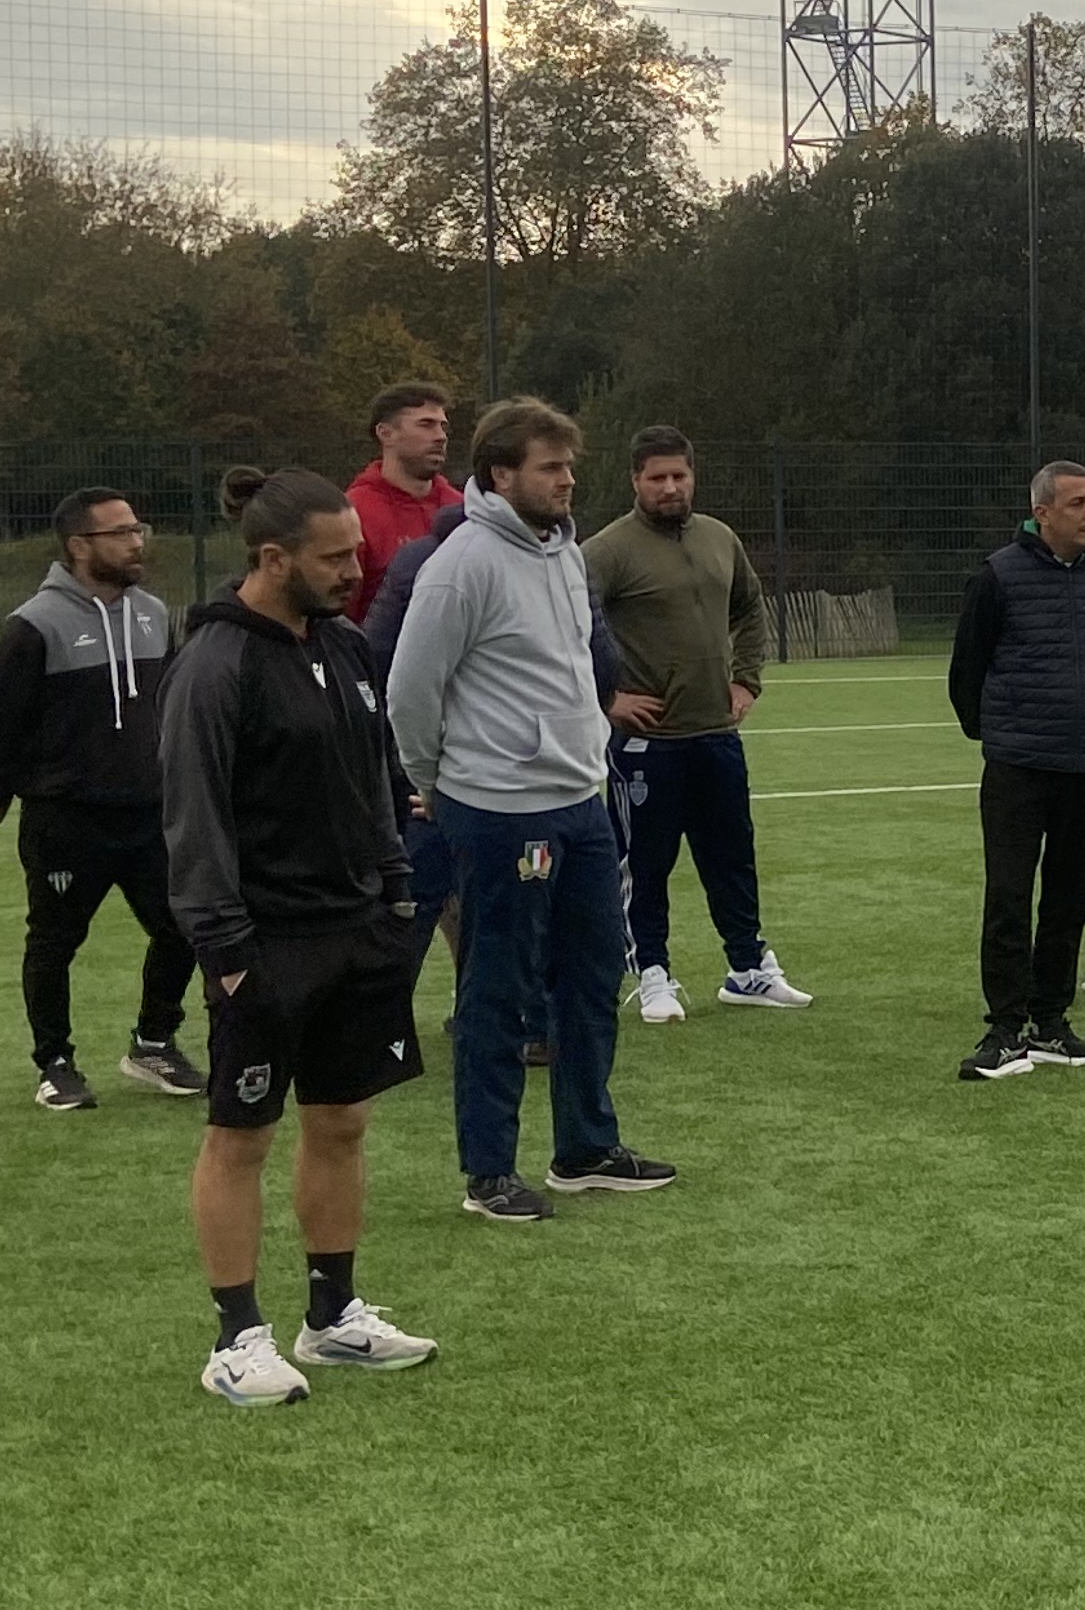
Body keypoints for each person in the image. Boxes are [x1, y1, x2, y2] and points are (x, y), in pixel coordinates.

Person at [163, 468, 439, 1406]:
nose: (355, 571)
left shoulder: (347, 646)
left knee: (343, 1122)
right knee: (241, 1135)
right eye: (335, 558)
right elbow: (192, 817)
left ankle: (333, 1316)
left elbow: (379, 777)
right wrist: (228, 955)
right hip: (264, 945)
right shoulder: (215, 664)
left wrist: (395, 894)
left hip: (358, 930)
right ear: (273, 558)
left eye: (355, 552)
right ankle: (237, 1338)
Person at [386, 398, 675, 1221]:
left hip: (580, 801)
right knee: (499, 991)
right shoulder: (462, 564)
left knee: (591, 977)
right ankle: (489, 1173)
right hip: (499, 810)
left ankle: (585, 1148)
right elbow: (410, 691)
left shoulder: (565, 553)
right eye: (551, 468)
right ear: (501, 473)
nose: (567, 480)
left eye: (569, 465)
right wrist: (441, 784)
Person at [0, 486, 208, 1111]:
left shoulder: (153, 613)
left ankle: (154, 1042)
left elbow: (171, 705)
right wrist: (4, 786)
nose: (136, 542)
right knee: (55, 942)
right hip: (67, 820)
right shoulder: (34, 624)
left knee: (184, 925)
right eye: (120, 533)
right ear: (79, 545)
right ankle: (55, 1063)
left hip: (151, 815)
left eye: (137, 530)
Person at [582, 426, 805, 1022]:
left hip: (716, 735)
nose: (669, 487)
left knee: (732, 857)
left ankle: (748, 968)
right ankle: (652, 973)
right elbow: (563, 620)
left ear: (692, 476)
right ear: (635, 480)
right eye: (656, 477)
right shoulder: (607, 550)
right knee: (644, 865)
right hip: (646, 744)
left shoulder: (719, 537)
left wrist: (745, 679)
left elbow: (750, 608)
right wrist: (606, 698)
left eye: (678, 475)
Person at [944, 459, 1085, 1078]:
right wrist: (1001, 734)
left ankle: (1052, 1022)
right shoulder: (998, 575)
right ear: (1042, 512)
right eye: (1078, 503)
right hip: (1018, 767)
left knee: (1069, 898)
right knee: (1009, 897)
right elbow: (966, 673)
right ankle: (1005, 1028)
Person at [343, 382, 460, 624]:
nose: (440, 437)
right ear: (386, 434)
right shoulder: (353, 512)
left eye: (443, 426)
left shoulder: (462, 508)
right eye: (426, 424)